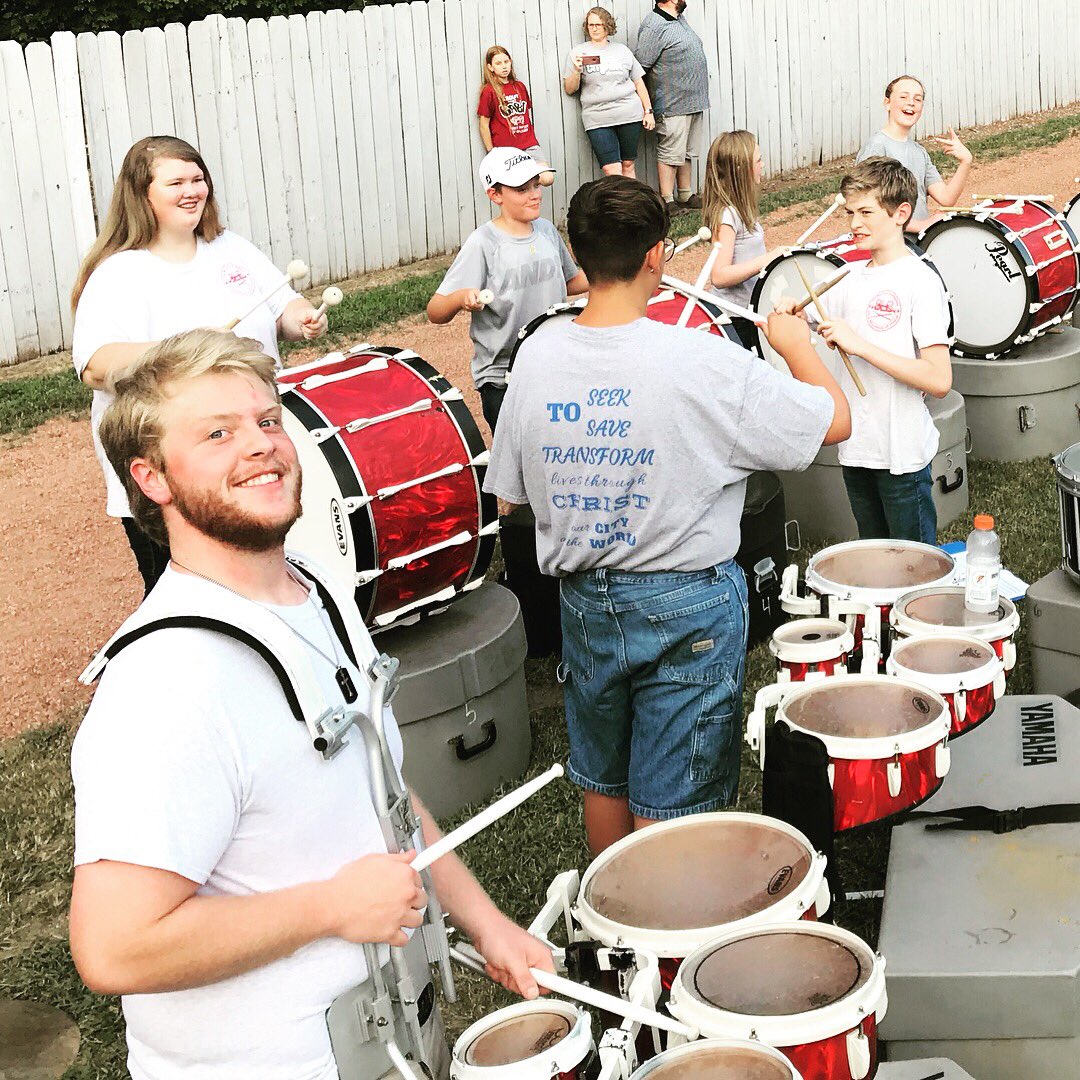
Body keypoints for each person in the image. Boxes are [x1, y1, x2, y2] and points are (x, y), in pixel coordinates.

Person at [69, 329, 553, 1080]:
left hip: (387, 1035)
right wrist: (329, 907)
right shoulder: (165, 687)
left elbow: (381, 791)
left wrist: (488, 925)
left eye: (267, 421)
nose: (261, 445)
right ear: (152, 478)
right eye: (217, 433)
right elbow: (113, 946)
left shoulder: (316, 587)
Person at [483, 176, 850, 856]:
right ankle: (665, 939)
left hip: (584, 599)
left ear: (578, 253)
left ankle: (616, 939)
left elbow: (514, 491)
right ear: (657, 256)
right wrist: (796, 345)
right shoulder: (701, 360)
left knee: (606, 777)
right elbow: (835, 421)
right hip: (687, 605)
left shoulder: (536, 355)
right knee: (673, 796)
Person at [71, 135, 327, 596]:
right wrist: (188, 349)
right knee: (192, 592)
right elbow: (94, 365)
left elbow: (280, 306)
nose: (192, 190)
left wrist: (300, 318)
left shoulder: (230, 248)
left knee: (265, 572)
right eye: (175, 182)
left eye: (198, 178)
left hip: (246, 448)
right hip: (173, 464)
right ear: (142, 194)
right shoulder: (119, 273)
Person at [777, 158, 953, 544]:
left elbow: (939, 379)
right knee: (874, 560)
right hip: (856, 449)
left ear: (900, 213)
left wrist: (862, 347)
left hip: (901, 455)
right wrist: (792, 311)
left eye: (865, 212)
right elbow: (808, 318)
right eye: (849, 213)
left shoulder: (919, 280)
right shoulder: (848, 278)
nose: (854, 223)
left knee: (915, 566)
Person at [426, 147, 589, 434]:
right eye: (521, 189)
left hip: (551, 364)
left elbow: (569, 281)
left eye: (536, 184)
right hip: (502, 377)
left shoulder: (547, 231)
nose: (534, 193)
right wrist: (460, 298)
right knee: (517, 460)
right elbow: (435, 311)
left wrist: (615, 274)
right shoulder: (483, 243)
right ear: (495, 194)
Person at [856, 74, 973, 233]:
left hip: (917, 242)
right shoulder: (876, 147)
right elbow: (867, 206)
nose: (911, 102)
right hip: (891, 247)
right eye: (903, 97)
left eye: (917, 99)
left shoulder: (919, 152)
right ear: (887, 103)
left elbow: (946, 198)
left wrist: (966, 162)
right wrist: (920, 226)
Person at [701, 130, 785, 349]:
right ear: (741, 169)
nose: (763, 165)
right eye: (758, 160)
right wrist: (769, 258)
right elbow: (719, 275)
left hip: (748, 310)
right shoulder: (727, 215)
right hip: (734, 316)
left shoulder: (741, 209)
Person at [633, 0, 710, 210]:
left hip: (693, 102)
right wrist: (646, 105)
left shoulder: (679, 20)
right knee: (670, 152)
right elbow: (640, 67)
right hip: (671, 102)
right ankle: (666, 200)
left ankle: (685, 195)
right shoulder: (653, 25)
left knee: (686, 152)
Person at [563, 6, 655, 178]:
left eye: (599, 24)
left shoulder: (622, 51)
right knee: (611, 169)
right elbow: (570, 89)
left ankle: (631, 204)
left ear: (608, 26)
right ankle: (617, 204)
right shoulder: (578, 52)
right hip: (597, 117)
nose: (594, 28)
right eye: (591, 25)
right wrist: (576, 70)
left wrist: (648, 111)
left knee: (628, 164)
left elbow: (638, 82)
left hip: (629, 113)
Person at [477, 45, 555, 187]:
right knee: (516, 187)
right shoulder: (489, 91)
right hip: (506, 150)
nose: (504, 66)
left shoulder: (519, 87)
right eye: (498, 63)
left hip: (529, 145)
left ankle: (527, 179)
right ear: (490, 67)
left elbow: (525, 115)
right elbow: (483, 124)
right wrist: (491, 152)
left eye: (506, 62)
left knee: (548, 178)